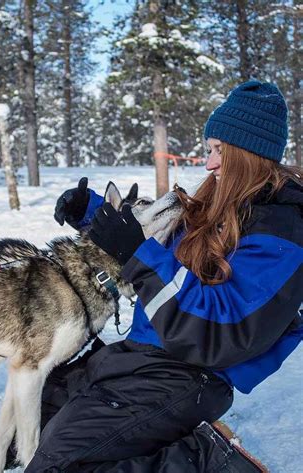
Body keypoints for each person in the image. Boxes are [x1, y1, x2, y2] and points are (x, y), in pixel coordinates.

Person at [23, 80, 302, 472]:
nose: (209, 163)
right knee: (28, 421)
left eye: (219, 151)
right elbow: (163, 231)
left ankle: (207, 462)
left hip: (185, 374)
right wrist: (94, 213)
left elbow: (218, 332)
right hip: (139, 355)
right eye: (209, 150)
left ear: (247, 152)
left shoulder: (283, 233)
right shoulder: (222, 201)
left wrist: (135, 253)